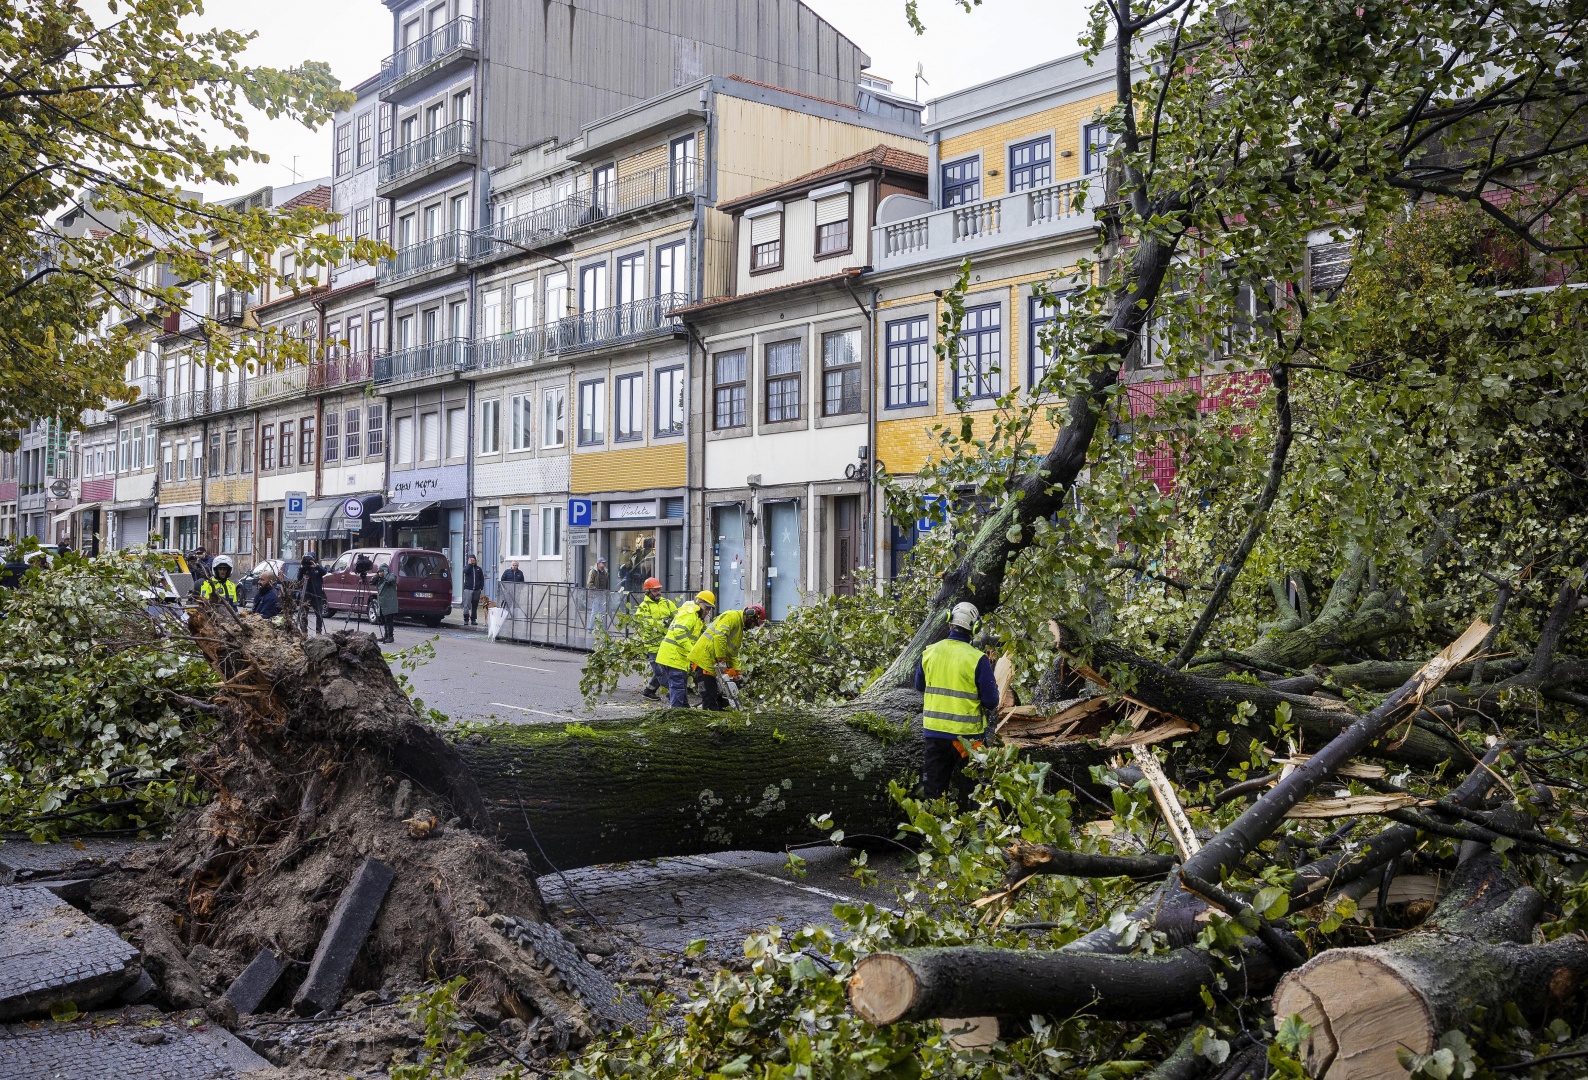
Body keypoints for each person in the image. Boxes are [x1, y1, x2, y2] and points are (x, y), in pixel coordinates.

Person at [915, 601, 999, 801]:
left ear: (948, 621)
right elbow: (991, 701)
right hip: (967, 740)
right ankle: (974, 829)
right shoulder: (977, 659)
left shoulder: (929, 652)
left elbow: (919, 685)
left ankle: (934, 830)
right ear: (975, 627)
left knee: (934, 793)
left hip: (934, 735)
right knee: (975, 793)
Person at [688, 605, 766, 711]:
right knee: (710, 700)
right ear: (750, 616)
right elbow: (719, 636)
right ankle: (708, 725)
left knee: (724, 703)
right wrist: (721, 660)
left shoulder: (739, 631)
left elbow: (732, 655)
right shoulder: (731, 616)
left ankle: (723, 724)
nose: (753, 627)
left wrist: (738, 674)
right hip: (704, 660)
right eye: (754, 624)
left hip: (714, 664)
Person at [655, 590, 716, 708]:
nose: (707, 611)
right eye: (706, 607)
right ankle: (676, 716)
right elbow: (679, 632)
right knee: (678, 687)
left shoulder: (695, 616)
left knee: (680, 687)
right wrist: (693, 652)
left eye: (710, 608)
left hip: (676, 657)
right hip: (674, 657)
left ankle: (683, 712)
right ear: (699, 603)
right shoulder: (691, 613)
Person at [635, 578, 678, 700]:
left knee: (662, 669)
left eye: (659, 590)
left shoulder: (668, 603)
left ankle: (649, 691)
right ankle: (673, 691)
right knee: (660, 671)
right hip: (652, 645)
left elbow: (677, 617)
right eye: (655, 591)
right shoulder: (643, 607)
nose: (658, 592)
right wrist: (661, 623)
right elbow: (641, 623)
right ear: (648, 592)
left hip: (666, 643)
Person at [299, 553, 327, 633]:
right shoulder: (304, 568)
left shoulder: (318, 567)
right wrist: (301, 567)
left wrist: (316, 566)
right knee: (304, 614)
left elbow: (325, 572)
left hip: (317, 594)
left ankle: (318, 632)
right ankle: (304, 631)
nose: (309, 562)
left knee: (318, 614)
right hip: (306, 593)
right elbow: (299, 578)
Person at [374, 564, 398, 643]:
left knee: (389, 620)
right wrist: (377, 575)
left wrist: (386, 573)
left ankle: (390, 636)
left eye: (382, 571)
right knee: (383, 619)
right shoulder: (380, 579)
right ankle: (386, 636)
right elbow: (371, 581)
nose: (380, 573)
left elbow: (390, 580)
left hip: (389, 603)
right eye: (379, 571)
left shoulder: (392, 576)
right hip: (382, 603)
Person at [586, 557, 610, 632]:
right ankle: (590, 628)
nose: (604, 565)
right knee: (595, 611)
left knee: (603, 611)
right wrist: (596, 590)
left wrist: (607, 593)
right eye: (602, 563)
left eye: (605, 563)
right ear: (598, 564)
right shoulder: (593, 572)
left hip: (603, 594)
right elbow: (589, 584)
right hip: (596, 594)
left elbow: (607, 584)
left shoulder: (605, 572)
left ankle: (603, 628)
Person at [461, 555, 486, 626]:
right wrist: (469, 564)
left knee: (475, 605)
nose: (472, 561)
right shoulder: (467, 567)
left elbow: (482, 579)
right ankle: (466, 619)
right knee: (466, 605)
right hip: (468, 589)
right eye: (471, 560)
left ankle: (473, 619)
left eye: (473, 560)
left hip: (476, 590)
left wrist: (481, 587)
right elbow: (465, 572)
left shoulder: (478, 569)